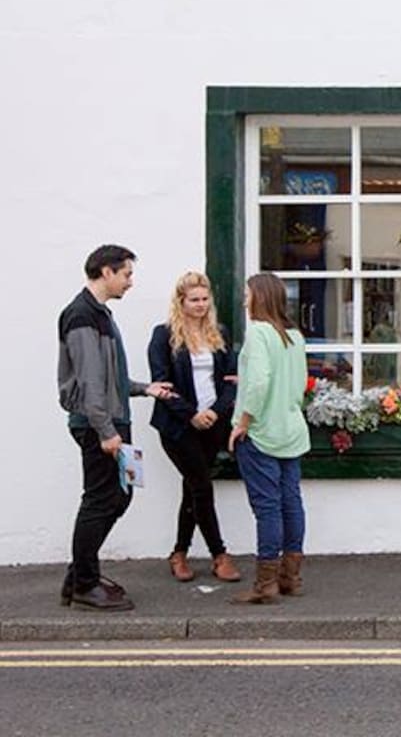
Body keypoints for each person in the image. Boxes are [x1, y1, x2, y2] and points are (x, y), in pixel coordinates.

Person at [57, 245, 175, 611]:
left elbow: (108, 377)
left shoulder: (100, 314)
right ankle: (84, 584)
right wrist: (107, 432)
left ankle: (80, 575)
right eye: (126, 274)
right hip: (99, 424)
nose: (130, 282)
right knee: (99, 500)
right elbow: (91, 384)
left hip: (109, 419)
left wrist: (144, 389)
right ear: (106, 272)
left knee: (118, 496)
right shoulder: (82, 316)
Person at [147, 271, 242, 584]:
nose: (201, 305)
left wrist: (215, 412)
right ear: (181, 302)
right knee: (201, 485)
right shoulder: (164, 336)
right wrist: (191, 414)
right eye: (194, 300)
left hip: (213, 425)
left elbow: (230, 381)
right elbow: (162, 385)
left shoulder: (220, 333)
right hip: (177, 427)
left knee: (193, 489)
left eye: (205, 299)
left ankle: (179, 553)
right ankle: (220, 555)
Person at [228, 272, 310, 605]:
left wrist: (243, 421)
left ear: (259, 297)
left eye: (247, 294)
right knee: (291, 503)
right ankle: (290, 578)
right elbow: (298, 382)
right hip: (291, 430)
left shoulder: (258, 333)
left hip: (261, 433)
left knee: (267, 508)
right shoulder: (294, 335)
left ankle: (265, 585)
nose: (244, 300)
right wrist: (244, 378)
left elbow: (260, 381)